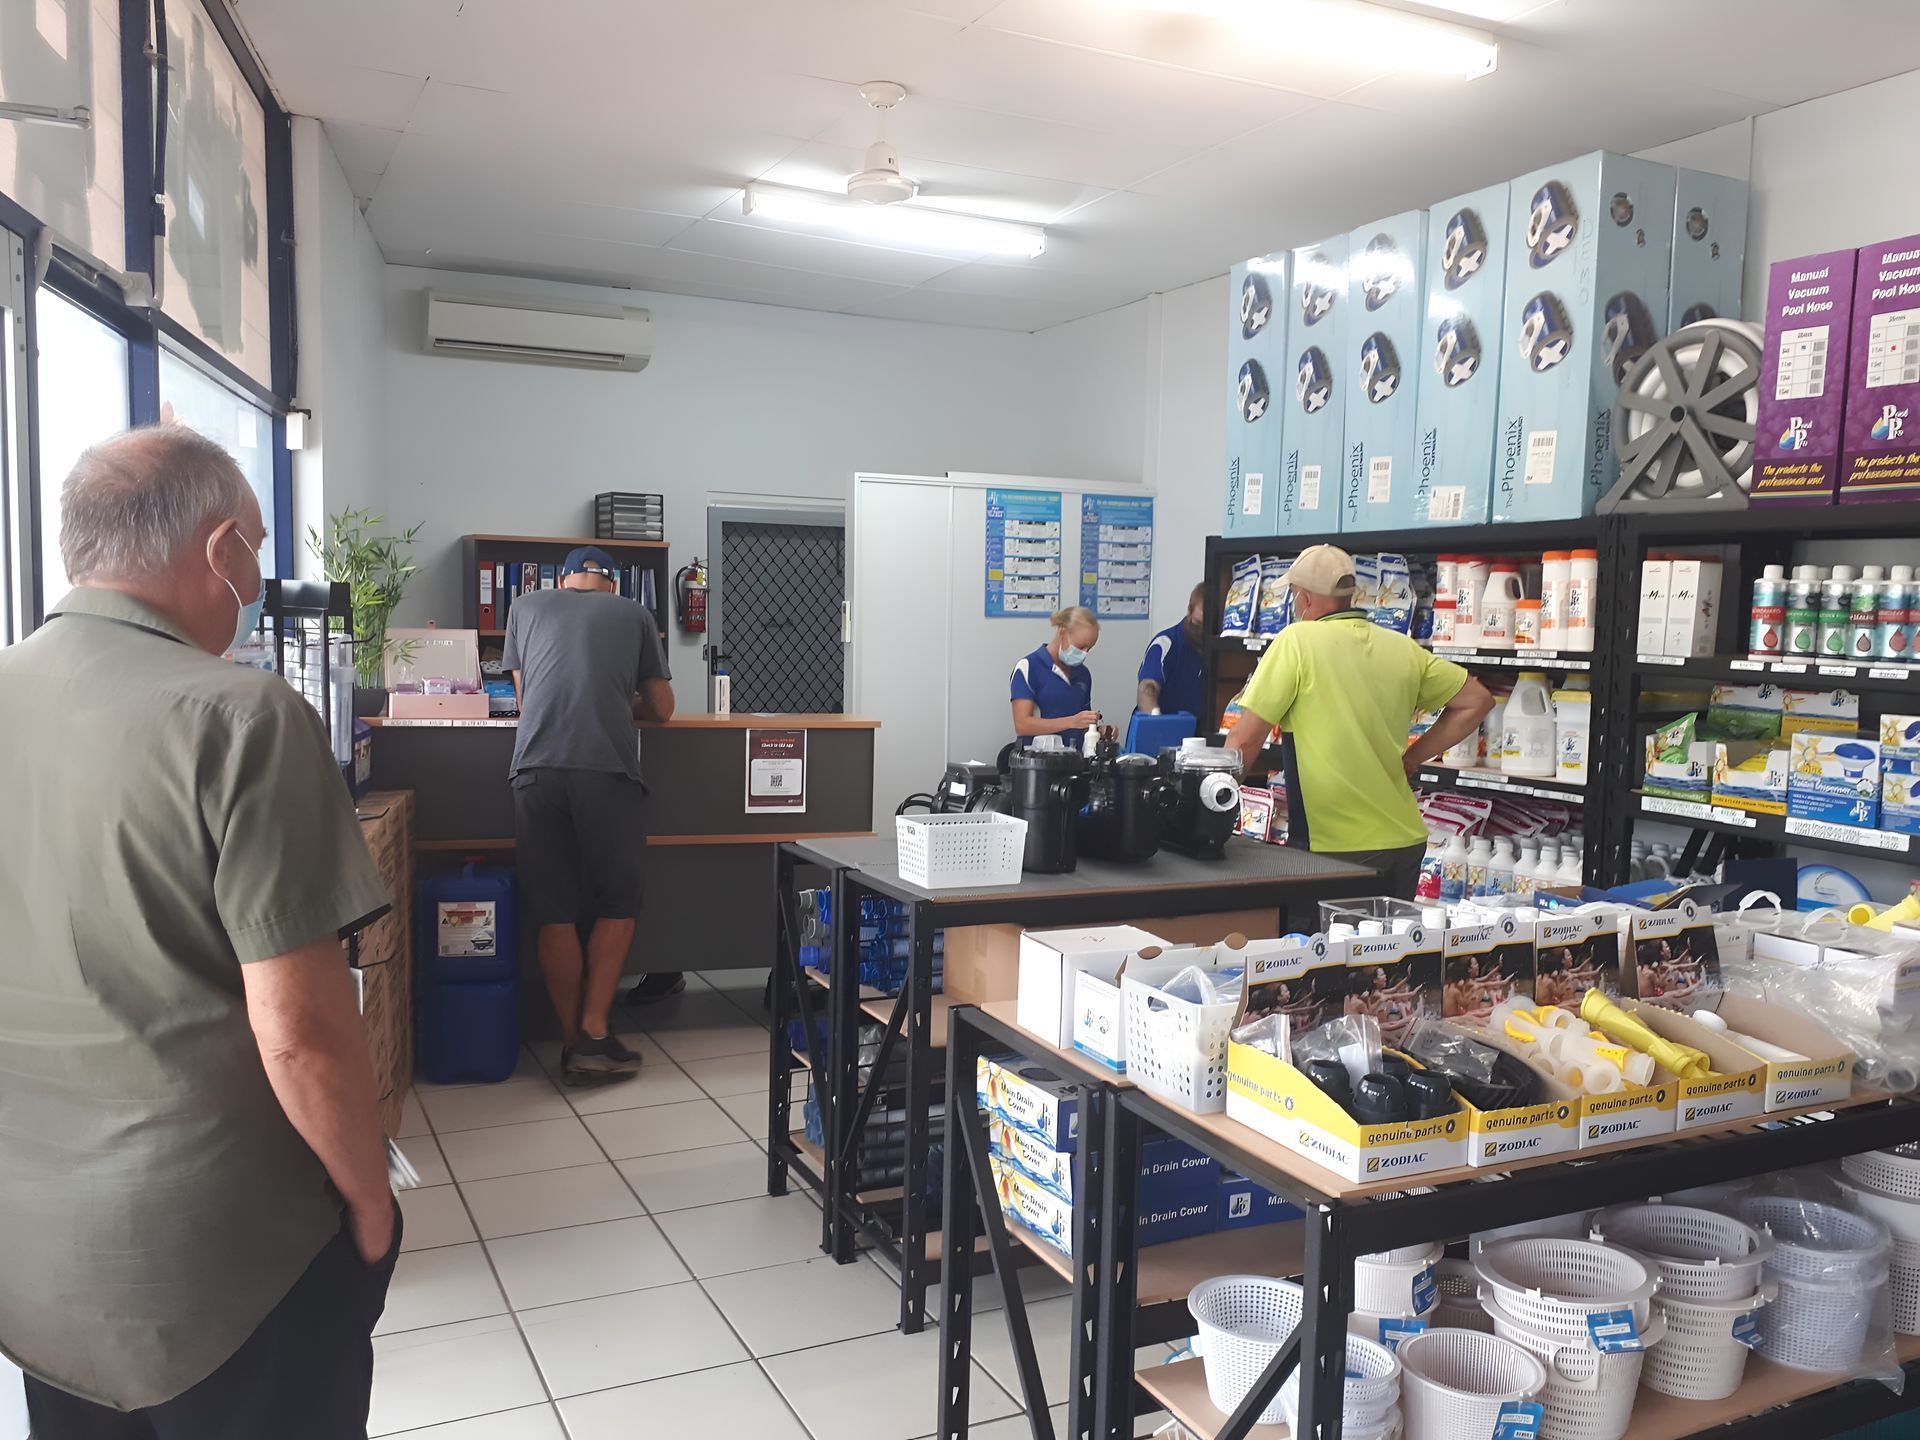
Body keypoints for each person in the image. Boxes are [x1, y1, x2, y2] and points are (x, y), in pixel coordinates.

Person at [0, 426, 399, 1437]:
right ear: (222, 549)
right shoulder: (243, 718)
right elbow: (301, 1033)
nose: (258, 581)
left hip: (33, 1249)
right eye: (257, 550)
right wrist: (369, 1200)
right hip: (222, 1267)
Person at [1225, 544, 1493, 899]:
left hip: (1335, 847)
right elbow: (1477, 700)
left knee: (1328, 953)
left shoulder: (1296, 641)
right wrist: (1413, 757)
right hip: (1404, 843)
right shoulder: (1401, 647)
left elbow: (1244, 742)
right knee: (1386, 951)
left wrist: (1215, 807)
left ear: (1303, 598)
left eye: (1292, 594)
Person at [504, 545, 676, 1082]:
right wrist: (621, 703)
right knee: (617, 904)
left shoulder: (524, 607)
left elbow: (525, 694)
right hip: (607, 771)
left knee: (554, 911)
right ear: (611, 582)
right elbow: (664, 709)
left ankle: (571, 1042)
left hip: (533, 771)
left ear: (564, 579)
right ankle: (597, 1033)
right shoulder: (634, 612)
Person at [1010, 605, 1101, 748]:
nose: (1084, 653)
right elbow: (1022, 725)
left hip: (1074, 761)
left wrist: (1097, 730)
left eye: (1089, 648)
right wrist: (1071, 722)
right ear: (1062, 632)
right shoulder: (1029, 667)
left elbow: (1082, 725)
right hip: (1036, 762)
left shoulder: (1083, 674)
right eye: (1080, 647)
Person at [1137, 582, 1207, 719]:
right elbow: (1147, 686)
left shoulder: (1220, 648)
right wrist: (1156, 717)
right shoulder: (1166, 643)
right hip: (1161, 727)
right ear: (1189, 611)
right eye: (1198, 624)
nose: (1202, 632)